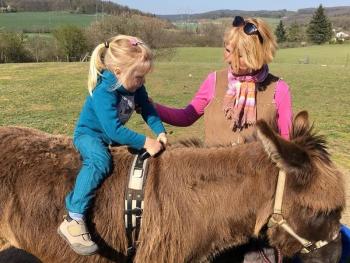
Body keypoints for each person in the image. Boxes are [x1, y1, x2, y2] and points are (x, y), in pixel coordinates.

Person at [154, 16, 292, 261]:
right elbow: (187, 116)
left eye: (235, 54)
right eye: (227, 50)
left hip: (255, 201)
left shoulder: (279, 90)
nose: (228, 58)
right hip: (212, 198)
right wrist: (149, 106)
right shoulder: (214, 81)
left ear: (254, 56)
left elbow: (287, 148)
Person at [58, 35, 167, 256]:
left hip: (110, 137)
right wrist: (147, 141)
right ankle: (73, 217)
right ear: (118, 72)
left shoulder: (135, 88)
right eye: (138, 77)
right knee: (100, 162)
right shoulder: (104, 92)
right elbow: (113, 130)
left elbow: (147, 108)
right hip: (90, 135)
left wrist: (160, 132)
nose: (142, 82)